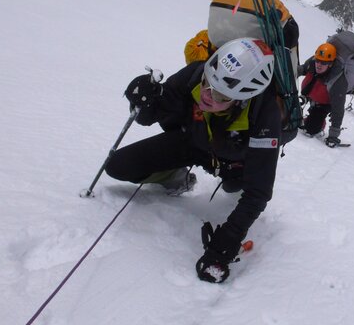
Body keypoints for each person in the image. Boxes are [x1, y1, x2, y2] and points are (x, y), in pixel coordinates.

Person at [106, 38, 281, 284]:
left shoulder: (265, 115)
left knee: (235, 188)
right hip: (192, 142)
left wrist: (228, 239)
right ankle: (177, 178)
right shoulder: (197, 73)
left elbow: (259, 192)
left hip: (233, 163)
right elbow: (156, 111)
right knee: (118, 166)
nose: (207, 95)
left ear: (242, 97)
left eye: (220, 93)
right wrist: (144, 101)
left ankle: (223, 178)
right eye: (207, 83)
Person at [298, 43, 338, 141]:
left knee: (310, 130)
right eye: (318, 61)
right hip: (310, 95)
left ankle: (320, 124)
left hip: (324, 104)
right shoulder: (311, 64)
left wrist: (333, 135)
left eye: (324, 63)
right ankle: (311, 115)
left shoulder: (336, 77)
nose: (319, 64)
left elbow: (339, 106)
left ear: (330, 64)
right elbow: (299, 70)